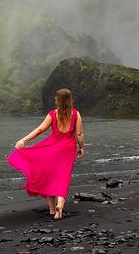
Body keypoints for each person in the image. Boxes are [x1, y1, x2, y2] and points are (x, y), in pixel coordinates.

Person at [7, 88, 85, 220]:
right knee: (63, 177)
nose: (54, 99)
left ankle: (52, 210)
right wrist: (81, 147)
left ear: (58, 100)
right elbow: (79, 134)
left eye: (56, 98)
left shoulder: (52, 114)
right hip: (68, 149)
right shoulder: (76, 114)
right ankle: (60, 206)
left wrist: (24, 140)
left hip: (53, 148)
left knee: (50, 177)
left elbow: (40, 130)